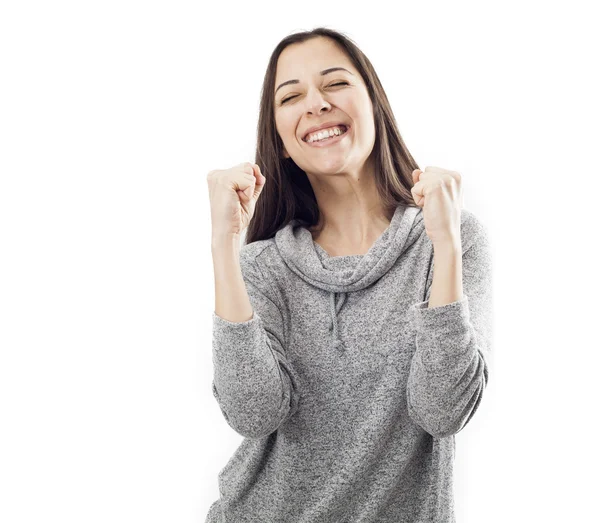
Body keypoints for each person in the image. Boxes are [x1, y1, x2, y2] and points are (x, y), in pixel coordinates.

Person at [205, 27, 493, 523]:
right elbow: (252, 413)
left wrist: (444, 246)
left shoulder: (454, 239)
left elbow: (443, 410)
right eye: (291, 96)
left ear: (373, 102)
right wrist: (224, 245)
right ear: (280, 136)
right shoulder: (264, 266)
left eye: (334, 84)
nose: (315, 104)